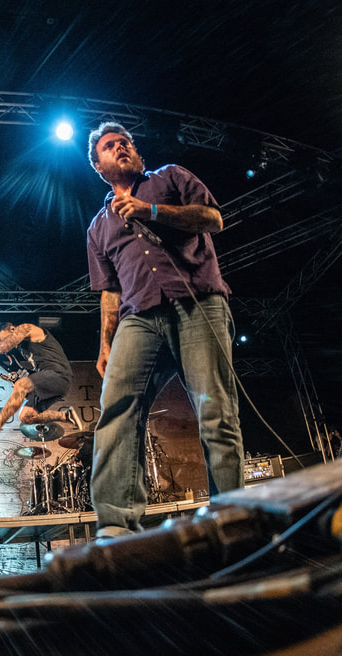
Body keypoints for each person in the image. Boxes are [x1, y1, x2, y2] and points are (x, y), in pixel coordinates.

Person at [84, 122, 244, 538]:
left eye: (125, 142)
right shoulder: (98, 227)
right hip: (139, 319)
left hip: (198, 303)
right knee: (117, 409)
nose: (121, 147)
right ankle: (116, 526)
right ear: (98, 166)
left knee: (216, 413)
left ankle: (231, 517)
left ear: (137, 153)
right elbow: (109, 291)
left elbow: (212, 219)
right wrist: (105, 343)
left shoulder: (170, 177)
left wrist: (151, 211)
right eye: (109, 146)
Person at [0, 322, 86, 439]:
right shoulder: (23, 348)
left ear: (12, 329)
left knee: (22, 384)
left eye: (6, 338)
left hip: (60, 376)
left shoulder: (27, 328)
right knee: (26, 416)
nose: (7, 343)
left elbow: (3, 347)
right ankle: (65, 416)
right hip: (52, 382)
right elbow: (36, 373)